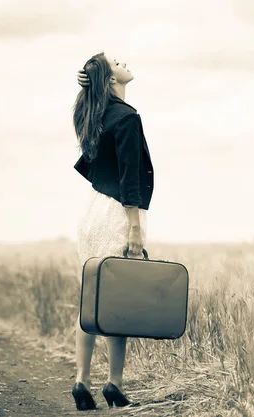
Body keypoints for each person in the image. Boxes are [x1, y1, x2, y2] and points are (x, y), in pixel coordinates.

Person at [71, 52, 154, 410]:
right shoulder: (127, 117)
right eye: (115, 60)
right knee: (115, 301)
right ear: (109, 79)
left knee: (91, 298)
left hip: (91, 210)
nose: (125, 60)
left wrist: (88, 78)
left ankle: (80, 381)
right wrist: (134, 227)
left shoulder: (92, 113)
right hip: (118, 211)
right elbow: (130, 178)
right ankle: (114, 384)